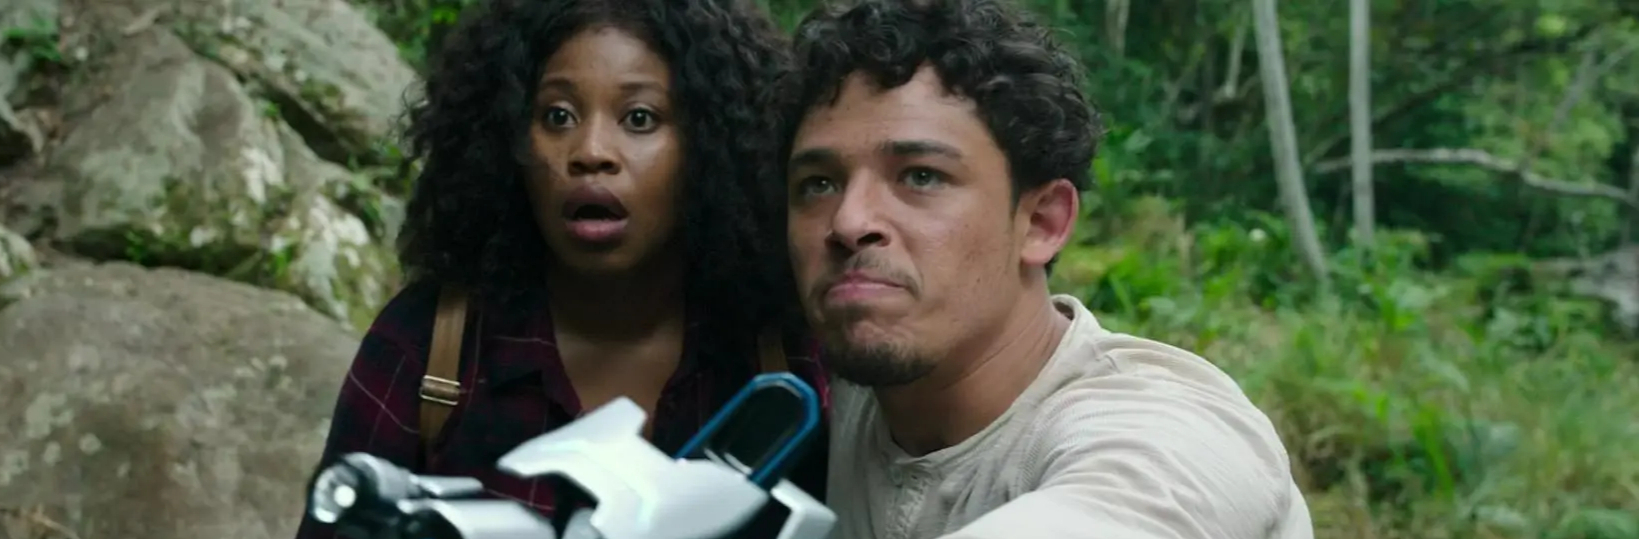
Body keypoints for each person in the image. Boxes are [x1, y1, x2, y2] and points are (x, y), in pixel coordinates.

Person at [776, 0, 1314, 538]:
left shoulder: (1171, 433)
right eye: (818, 184)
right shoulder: (844, 386)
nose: (848, 222)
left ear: (1041, 222)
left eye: (921, 176)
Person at [292, 0, 827, 538]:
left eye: (639, 118)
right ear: (509, 139)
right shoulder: (430, 346)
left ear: (710, 144)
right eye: (558, 116)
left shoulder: (784, 355)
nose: (591, 151)